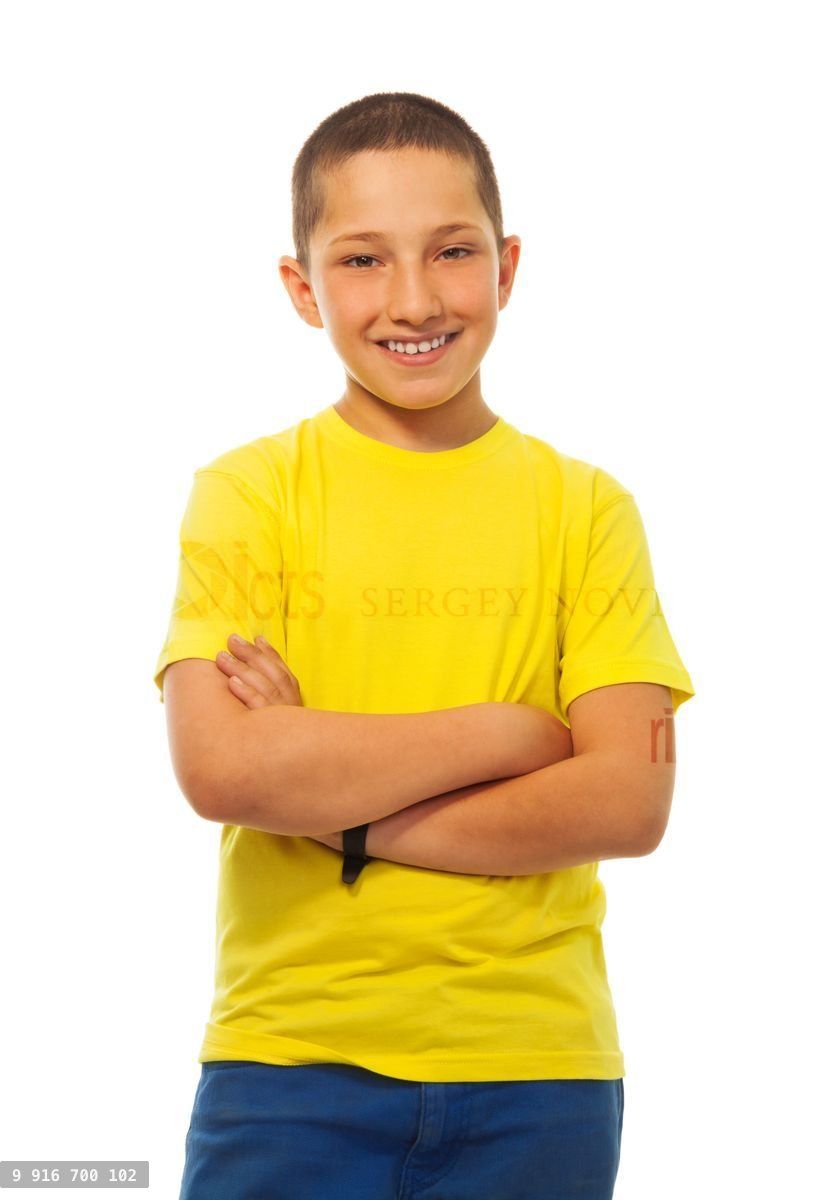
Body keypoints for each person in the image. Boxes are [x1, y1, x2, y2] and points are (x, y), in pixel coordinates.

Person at [154, 91, 695, 1200]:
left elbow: (628, 802)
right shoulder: (249, 495)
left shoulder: (586, 510)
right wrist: (506, 733)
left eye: (451, 251)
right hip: (289, 1063)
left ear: (505, 267)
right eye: (362, 260)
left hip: (539, 1071)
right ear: (303, 289)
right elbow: (222, 769)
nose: (413, 299)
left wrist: (333, 806)